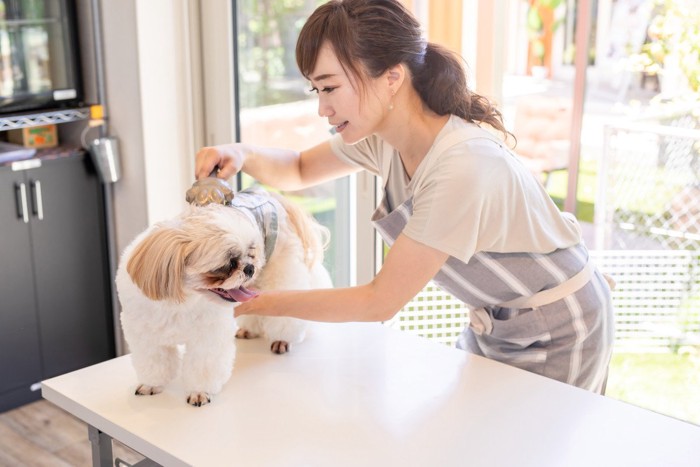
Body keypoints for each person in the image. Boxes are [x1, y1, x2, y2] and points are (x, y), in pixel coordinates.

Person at [195, 0, 614, 393]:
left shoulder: (461, 166)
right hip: (498, 323)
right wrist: (241, 153)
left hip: (560, 328)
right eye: (316, 91)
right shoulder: (386, 138)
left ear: (392, 77)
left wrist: (248, 301)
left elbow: (380, 301)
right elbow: (300, 168)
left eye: (330, 87)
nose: (322, 109)